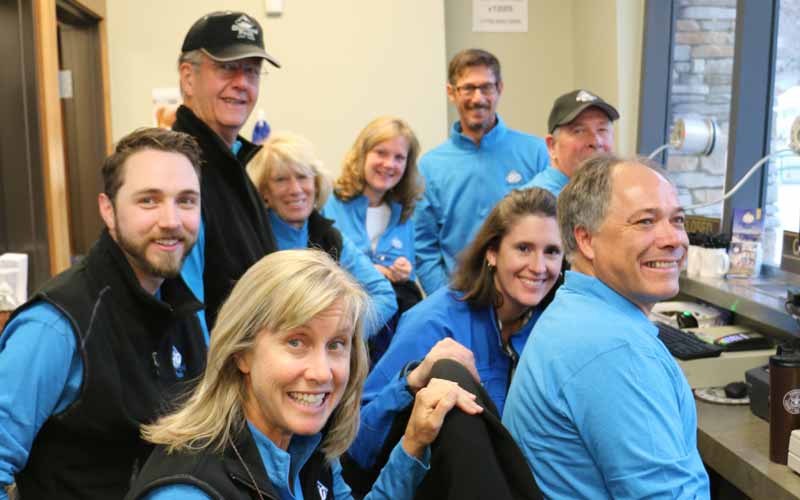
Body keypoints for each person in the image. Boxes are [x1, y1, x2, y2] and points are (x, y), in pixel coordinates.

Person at [125, 249, 482, 499]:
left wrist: (415, 440)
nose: (321, 372)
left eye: (336, 345)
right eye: (296, 342)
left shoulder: (306, 447)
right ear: (241, 354)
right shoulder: (188, 492)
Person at [0, 128, 208, 500]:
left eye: (186, 201)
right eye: (149, 201)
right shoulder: (56, 326)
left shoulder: (183, 310)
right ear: (108, 210)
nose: (171, 220)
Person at [503, 155, 711, 499]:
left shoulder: (576, 313)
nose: (673, 239)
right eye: (645, 221)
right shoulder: (613, 349)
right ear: (586, 240)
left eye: (678, 220)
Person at [349, 188, 563, 479]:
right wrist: (408, 386)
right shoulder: (435, 323)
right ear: (492, 252)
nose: (539, 267)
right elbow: (357, 442)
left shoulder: (552, 325)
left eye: (551, 251)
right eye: (523, 248)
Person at [174, 11, 281, 329]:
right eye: (227, 68)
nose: (242, 84)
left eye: (252, 71)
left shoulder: (235, 160)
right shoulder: (180, 169)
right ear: (188, 78)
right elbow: (184, 308)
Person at [414, 49, 550, 294]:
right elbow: (424, 247)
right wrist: (448, 299)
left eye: (486, 87)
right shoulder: (430, 166)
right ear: (451, 93)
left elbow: (551, 231)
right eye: (468, 88)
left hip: (526, 297)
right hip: (459, 297)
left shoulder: (536, 153)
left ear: (499, 88)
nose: (478, 98)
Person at [246, 131, 398, 333]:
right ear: (264, 192)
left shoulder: (330, 238)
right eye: (281, 179)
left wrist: (339, 337)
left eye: (302, 177)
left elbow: (384, 296)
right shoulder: (251, 241)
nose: (296, 189)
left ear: (316, 185)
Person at [323, 117, 424, 360]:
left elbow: (407, 277)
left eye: (399, 157)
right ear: (362, 154)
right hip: (341, 323)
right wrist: (374, 271)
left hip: (389, 335)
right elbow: (320, 263)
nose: (389, 164)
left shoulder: (405, 212)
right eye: (381, 153)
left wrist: (403, 271)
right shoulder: (330, 203)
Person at [520, 89, 618, 196]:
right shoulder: (532, 205)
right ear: (552, 146)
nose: (595, 141)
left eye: (602, 130)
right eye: (579, 131)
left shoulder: (614, 194)